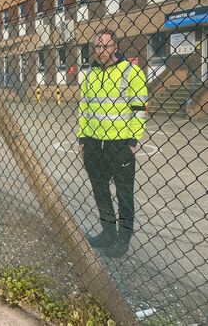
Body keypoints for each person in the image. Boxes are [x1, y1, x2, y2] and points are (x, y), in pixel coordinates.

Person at [77, 29, 147, 258]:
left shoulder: (132, 72)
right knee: (100, 190)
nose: (100, 51)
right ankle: (108, 232)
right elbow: (84, 110)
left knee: (124, 194)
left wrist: (133, 141)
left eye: (105, 46)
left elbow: (139, 109)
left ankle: (123, 239)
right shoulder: (89, 75)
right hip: (95, 144)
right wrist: (83, 140)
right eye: (97, 46)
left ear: (115, 46)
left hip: (120, 145)